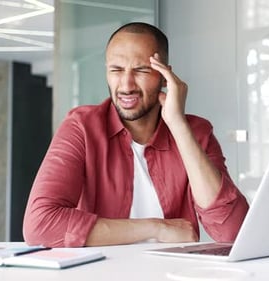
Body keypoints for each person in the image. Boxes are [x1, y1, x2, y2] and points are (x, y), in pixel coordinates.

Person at [23, 22, 249, 247]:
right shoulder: (82, 127)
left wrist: (178, 126)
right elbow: (40, 226)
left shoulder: (196, 132)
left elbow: (232, 231)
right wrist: (157, 228)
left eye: (141, 70)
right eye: (116, 70)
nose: (126, 85)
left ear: (164, 76)